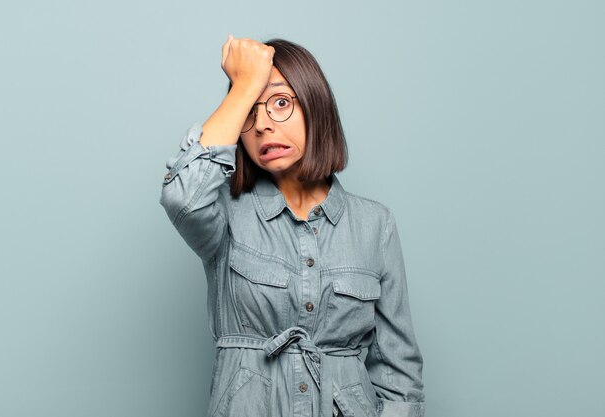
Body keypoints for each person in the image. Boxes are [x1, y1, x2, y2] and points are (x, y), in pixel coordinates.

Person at [160, 35, 425, 417]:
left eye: (281, 103)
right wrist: (243, 87)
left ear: (315, 107)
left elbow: (399, 374)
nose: (263, 125)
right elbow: (182, 196)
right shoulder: (226, 215)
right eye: (250, 111)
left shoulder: (374, 224)